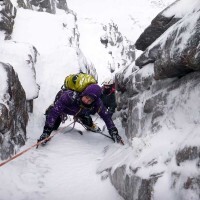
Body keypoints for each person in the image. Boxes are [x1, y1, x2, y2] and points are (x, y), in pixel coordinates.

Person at [38, 84, 122, 145]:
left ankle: (90, 124)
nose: (87, 101)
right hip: (64, 109)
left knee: (87, 120)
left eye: (90, 100)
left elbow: (106, 116)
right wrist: (46, 132)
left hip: (81, 111)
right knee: (54, 125)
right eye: (86, 97)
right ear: (83, 93)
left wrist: (113, 131)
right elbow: (55, 112)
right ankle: (50, 108)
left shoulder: (97, 103)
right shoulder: (68, 96)